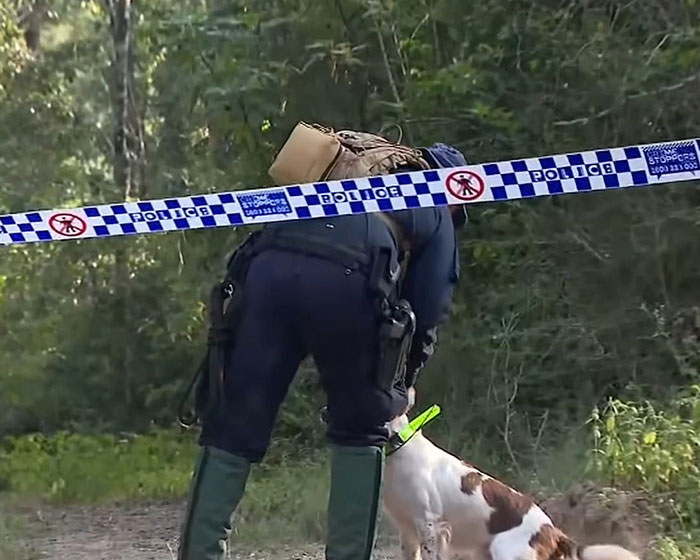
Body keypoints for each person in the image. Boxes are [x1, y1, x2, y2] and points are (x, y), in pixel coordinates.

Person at [176, 137, 468, 560]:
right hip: (349, 277)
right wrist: (400, 384)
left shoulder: (358, 165)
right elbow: (429, 305)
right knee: (360, 425)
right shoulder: (437, 205)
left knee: (234, 420)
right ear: (457, 188)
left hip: (268, 266)